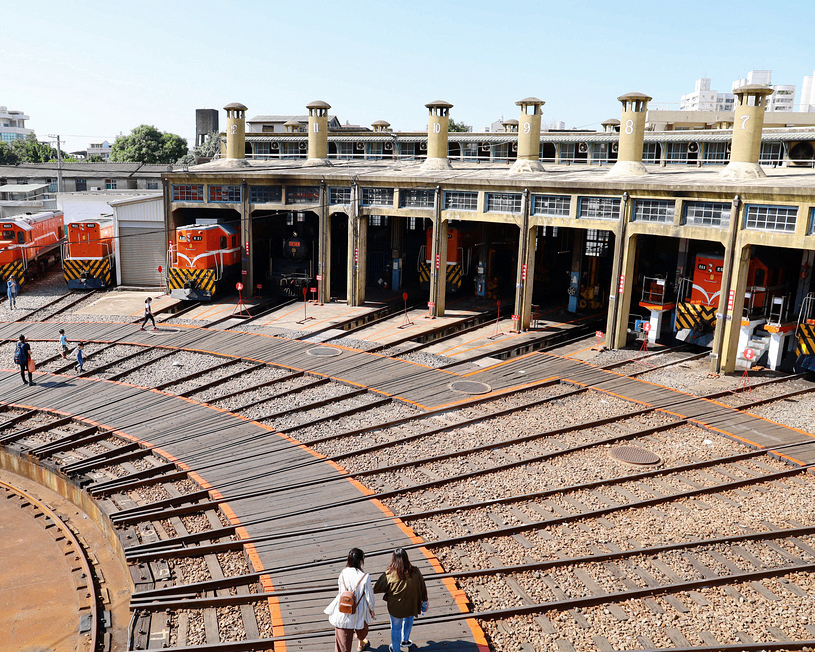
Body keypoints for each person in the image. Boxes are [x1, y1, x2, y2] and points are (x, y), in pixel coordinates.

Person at [374, 548, 428, 652]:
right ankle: (405, 640)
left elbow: (376, 588)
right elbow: (423, 587)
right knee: (408, 620)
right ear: (407, 558)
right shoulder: (416, 571)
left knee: (396, 627)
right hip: (412, 605)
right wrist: (425, 600)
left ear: (394, 559)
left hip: (396, 608)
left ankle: (396, 649)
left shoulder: (389, 575)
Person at [325, 548, 375, 652]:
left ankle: (360, 641)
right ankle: (361, 640)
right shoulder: (365, 577)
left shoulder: (343, 573)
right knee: (362, 628)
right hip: (359, 611)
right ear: (361, 562)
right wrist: (372, 609)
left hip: (344, 609)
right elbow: (369, 597)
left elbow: (340, 591)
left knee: (342, 646)